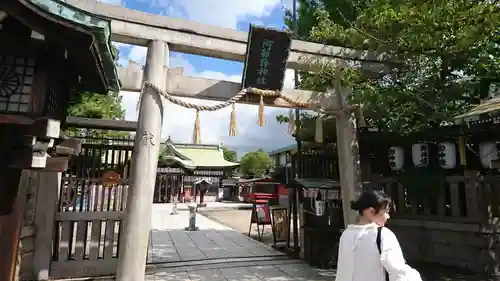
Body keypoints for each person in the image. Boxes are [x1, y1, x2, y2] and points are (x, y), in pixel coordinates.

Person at [334, 189, 422, 281]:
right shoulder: (382, 234)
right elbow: (398, 272)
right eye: (386, 211)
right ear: (371, 211)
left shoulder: (346, 235)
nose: (388, 216)